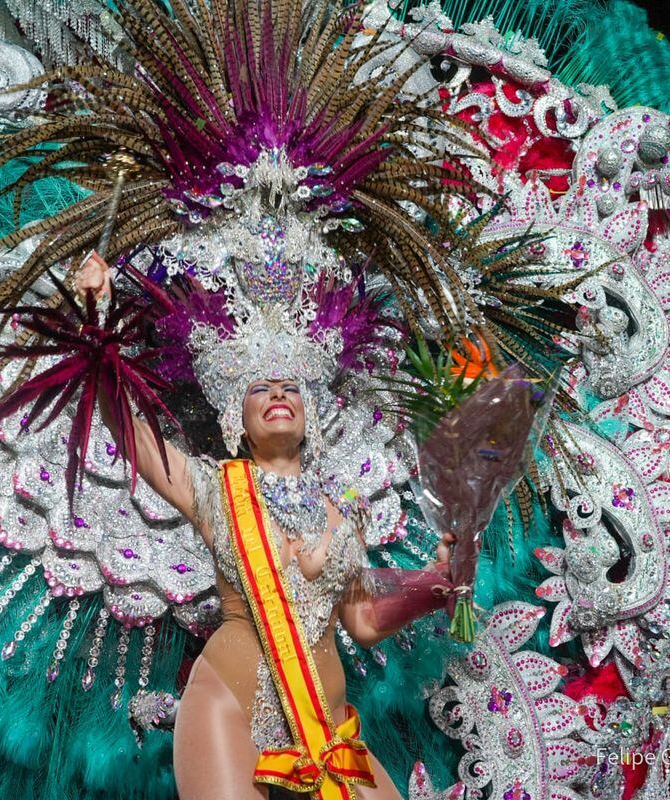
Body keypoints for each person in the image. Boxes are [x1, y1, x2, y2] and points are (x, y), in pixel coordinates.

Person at [79, 255, 454, 800]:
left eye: (290, 387)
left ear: (311, 413)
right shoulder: (213, 488)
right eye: (260, 388)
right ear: (236, 415)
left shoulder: (341, 512)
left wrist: (436, 583)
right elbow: (125, 426)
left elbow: (365, 620)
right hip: (228, 709)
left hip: (326, 733)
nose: (278, 394)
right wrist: (97, 316)